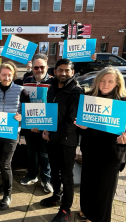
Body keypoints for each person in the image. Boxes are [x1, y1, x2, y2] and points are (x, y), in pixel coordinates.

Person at [74, 67, 126, 222]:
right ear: (97, 81)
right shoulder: (89, 98)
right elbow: (83, 125)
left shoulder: (125, 102)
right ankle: (86, 211)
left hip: (111, 155)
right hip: (90, 151)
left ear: (117, 83)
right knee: (88, 186)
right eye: (102, 81)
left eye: (110, 81)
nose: (105, 84)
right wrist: (82, 127)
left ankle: (99, 218)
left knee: (104, 192)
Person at [40, 59, 83, 222]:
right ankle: (55, 197)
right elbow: (49, 112)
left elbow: (72, 122)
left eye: (67, 70)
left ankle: (66, 209)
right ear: (55, 71)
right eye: (60, 70)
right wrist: (43, 126)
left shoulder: (76, 92)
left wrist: (52, 136)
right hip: (51, 138)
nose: (63, 73)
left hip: (67, 142)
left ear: (72, 72)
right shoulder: (52, 87)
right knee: (55, 173)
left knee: (66, 176)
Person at [0, 63, 30, 210]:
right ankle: (4, 183)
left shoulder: (21, 90)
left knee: (5, 164)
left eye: (9, 75)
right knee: (1, 162)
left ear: (13, 75)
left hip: (12, 133)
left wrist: (22, 116)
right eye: (4, 74)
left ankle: (7, 194)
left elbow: (29, 111)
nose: (6, 77)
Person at [21, 54, 53, 193]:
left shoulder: (54, 82)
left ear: (46, 67)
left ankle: (46, 179)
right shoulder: (26, 81)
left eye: (42, 67)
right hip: (29, 125)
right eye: (36, 67)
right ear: (32, 68)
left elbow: (55, 105)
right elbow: (22, 102)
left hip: (45, 126)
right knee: (30, 152)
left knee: (45, 154)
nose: (39, 70)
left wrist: (43, 126)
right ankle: (32, 175)